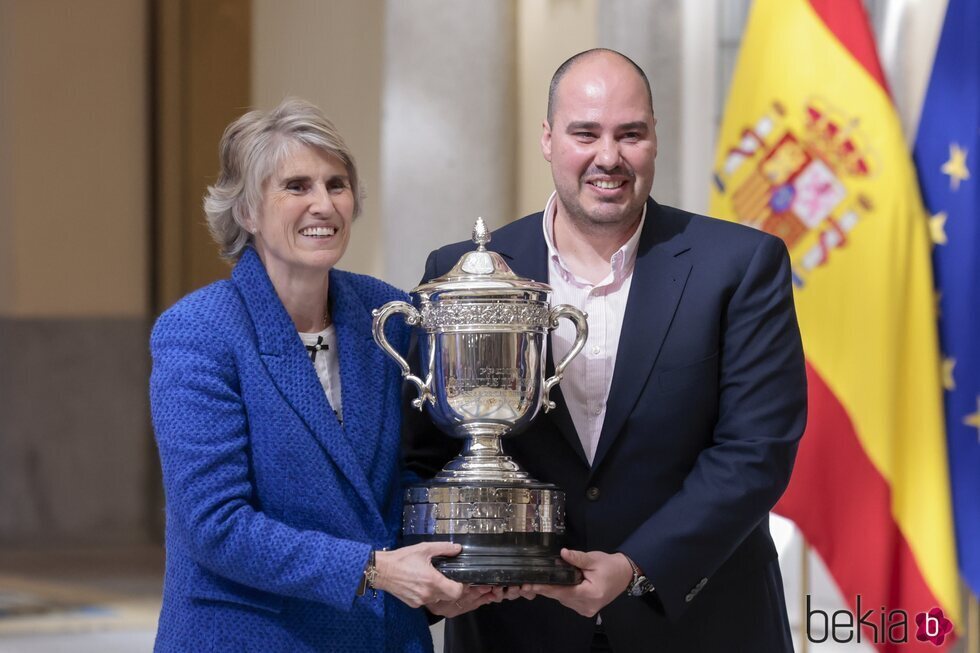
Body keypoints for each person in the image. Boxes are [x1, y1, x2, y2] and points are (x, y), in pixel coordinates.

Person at [404, 50, 807, 652]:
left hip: (700, 624)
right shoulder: (463, 273)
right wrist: (439, 571)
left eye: (631, 134)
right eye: (585, 133)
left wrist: (637, 566)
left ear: (654, 139)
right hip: (514, 629)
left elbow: (756, 451)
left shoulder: (742, 265)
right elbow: (427, 451)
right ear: (547, 138)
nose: (608, 157)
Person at [149, 98, 493, 653]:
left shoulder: (388, 312)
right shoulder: (198, 331)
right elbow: (216, 526)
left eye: (336, 184)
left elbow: (395, 481)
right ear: (246, 212)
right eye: (296, 186)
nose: (323, 204)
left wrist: (443, 569)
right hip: (252, 636)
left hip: (380, 635)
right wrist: (375, 570)